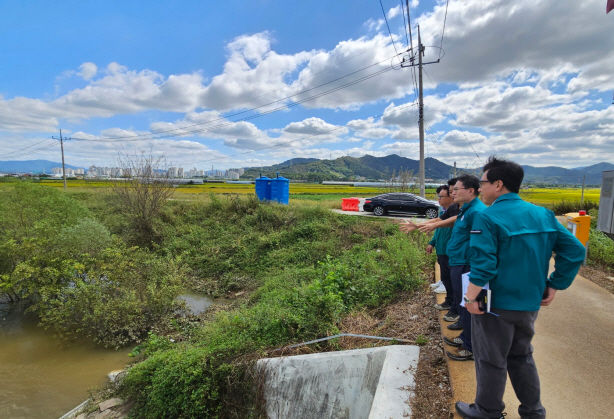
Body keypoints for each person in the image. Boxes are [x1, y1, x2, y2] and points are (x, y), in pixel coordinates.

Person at [455, 157, 585, 419]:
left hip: (496, 305)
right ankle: (533, 411)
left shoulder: (488, 217)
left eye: (483, 182)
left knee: (491, 359)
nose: (480, 188)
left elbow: (484, 266)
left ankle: (488, 410)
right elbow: (575, 251)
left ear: (499, 184)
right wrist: (555, 284)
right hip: (528, 304)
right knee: (522, 356)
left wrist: (470, 298)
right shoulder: (543, 214)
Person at [444, 174, 486, 361]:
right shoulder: (465, 210)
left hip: (466, 264)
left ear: (470, 191)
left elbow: (479, 245)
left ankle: (470, 348)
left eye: (456, 189)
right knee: (463, 304)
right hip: (458, 260)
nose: (453, 192)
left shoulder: (477, 212)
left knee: (470, 305)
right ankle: (465, 338)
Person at [423, 185, 458, 311]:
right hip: (442, 249)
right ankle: (449, 301)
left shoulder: (456, 212)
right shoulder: (443, 212)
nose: (439, 199)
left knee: (452, 280)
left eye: (441, 196)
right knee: (445, 278)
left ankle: (453, 305)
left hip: (450, 252)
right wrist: (432, 242)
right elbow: (437, 229)